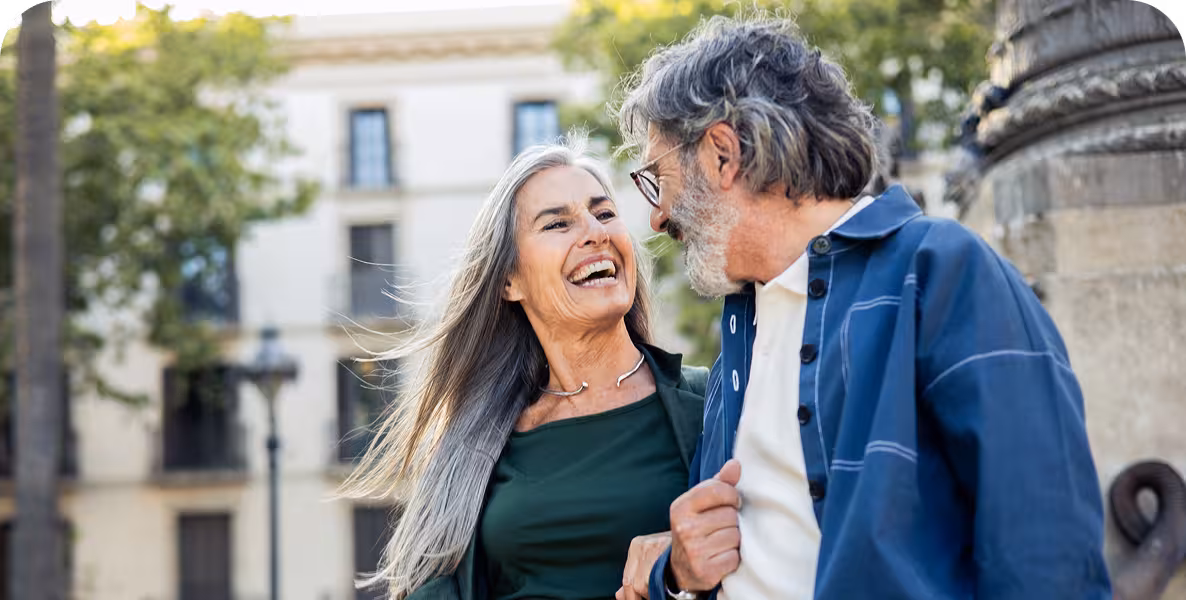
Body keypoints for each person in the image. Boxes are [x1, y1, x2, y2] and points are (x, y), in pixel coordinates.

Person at [613, 14, 1113, 600]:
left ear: (723, 154)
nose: (656, 217)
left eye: (656, 180)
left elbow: (1046, 559)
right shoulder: (740, 334)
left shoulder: (940, 271)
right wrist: (676, 579)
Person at [340, 136, 708, 600]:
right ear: (510, 280)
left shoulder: (710, 406)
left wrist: (677, 575)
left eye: (605, 213)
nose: (595, 231)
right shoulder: (475, 440)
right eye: (558, 223)